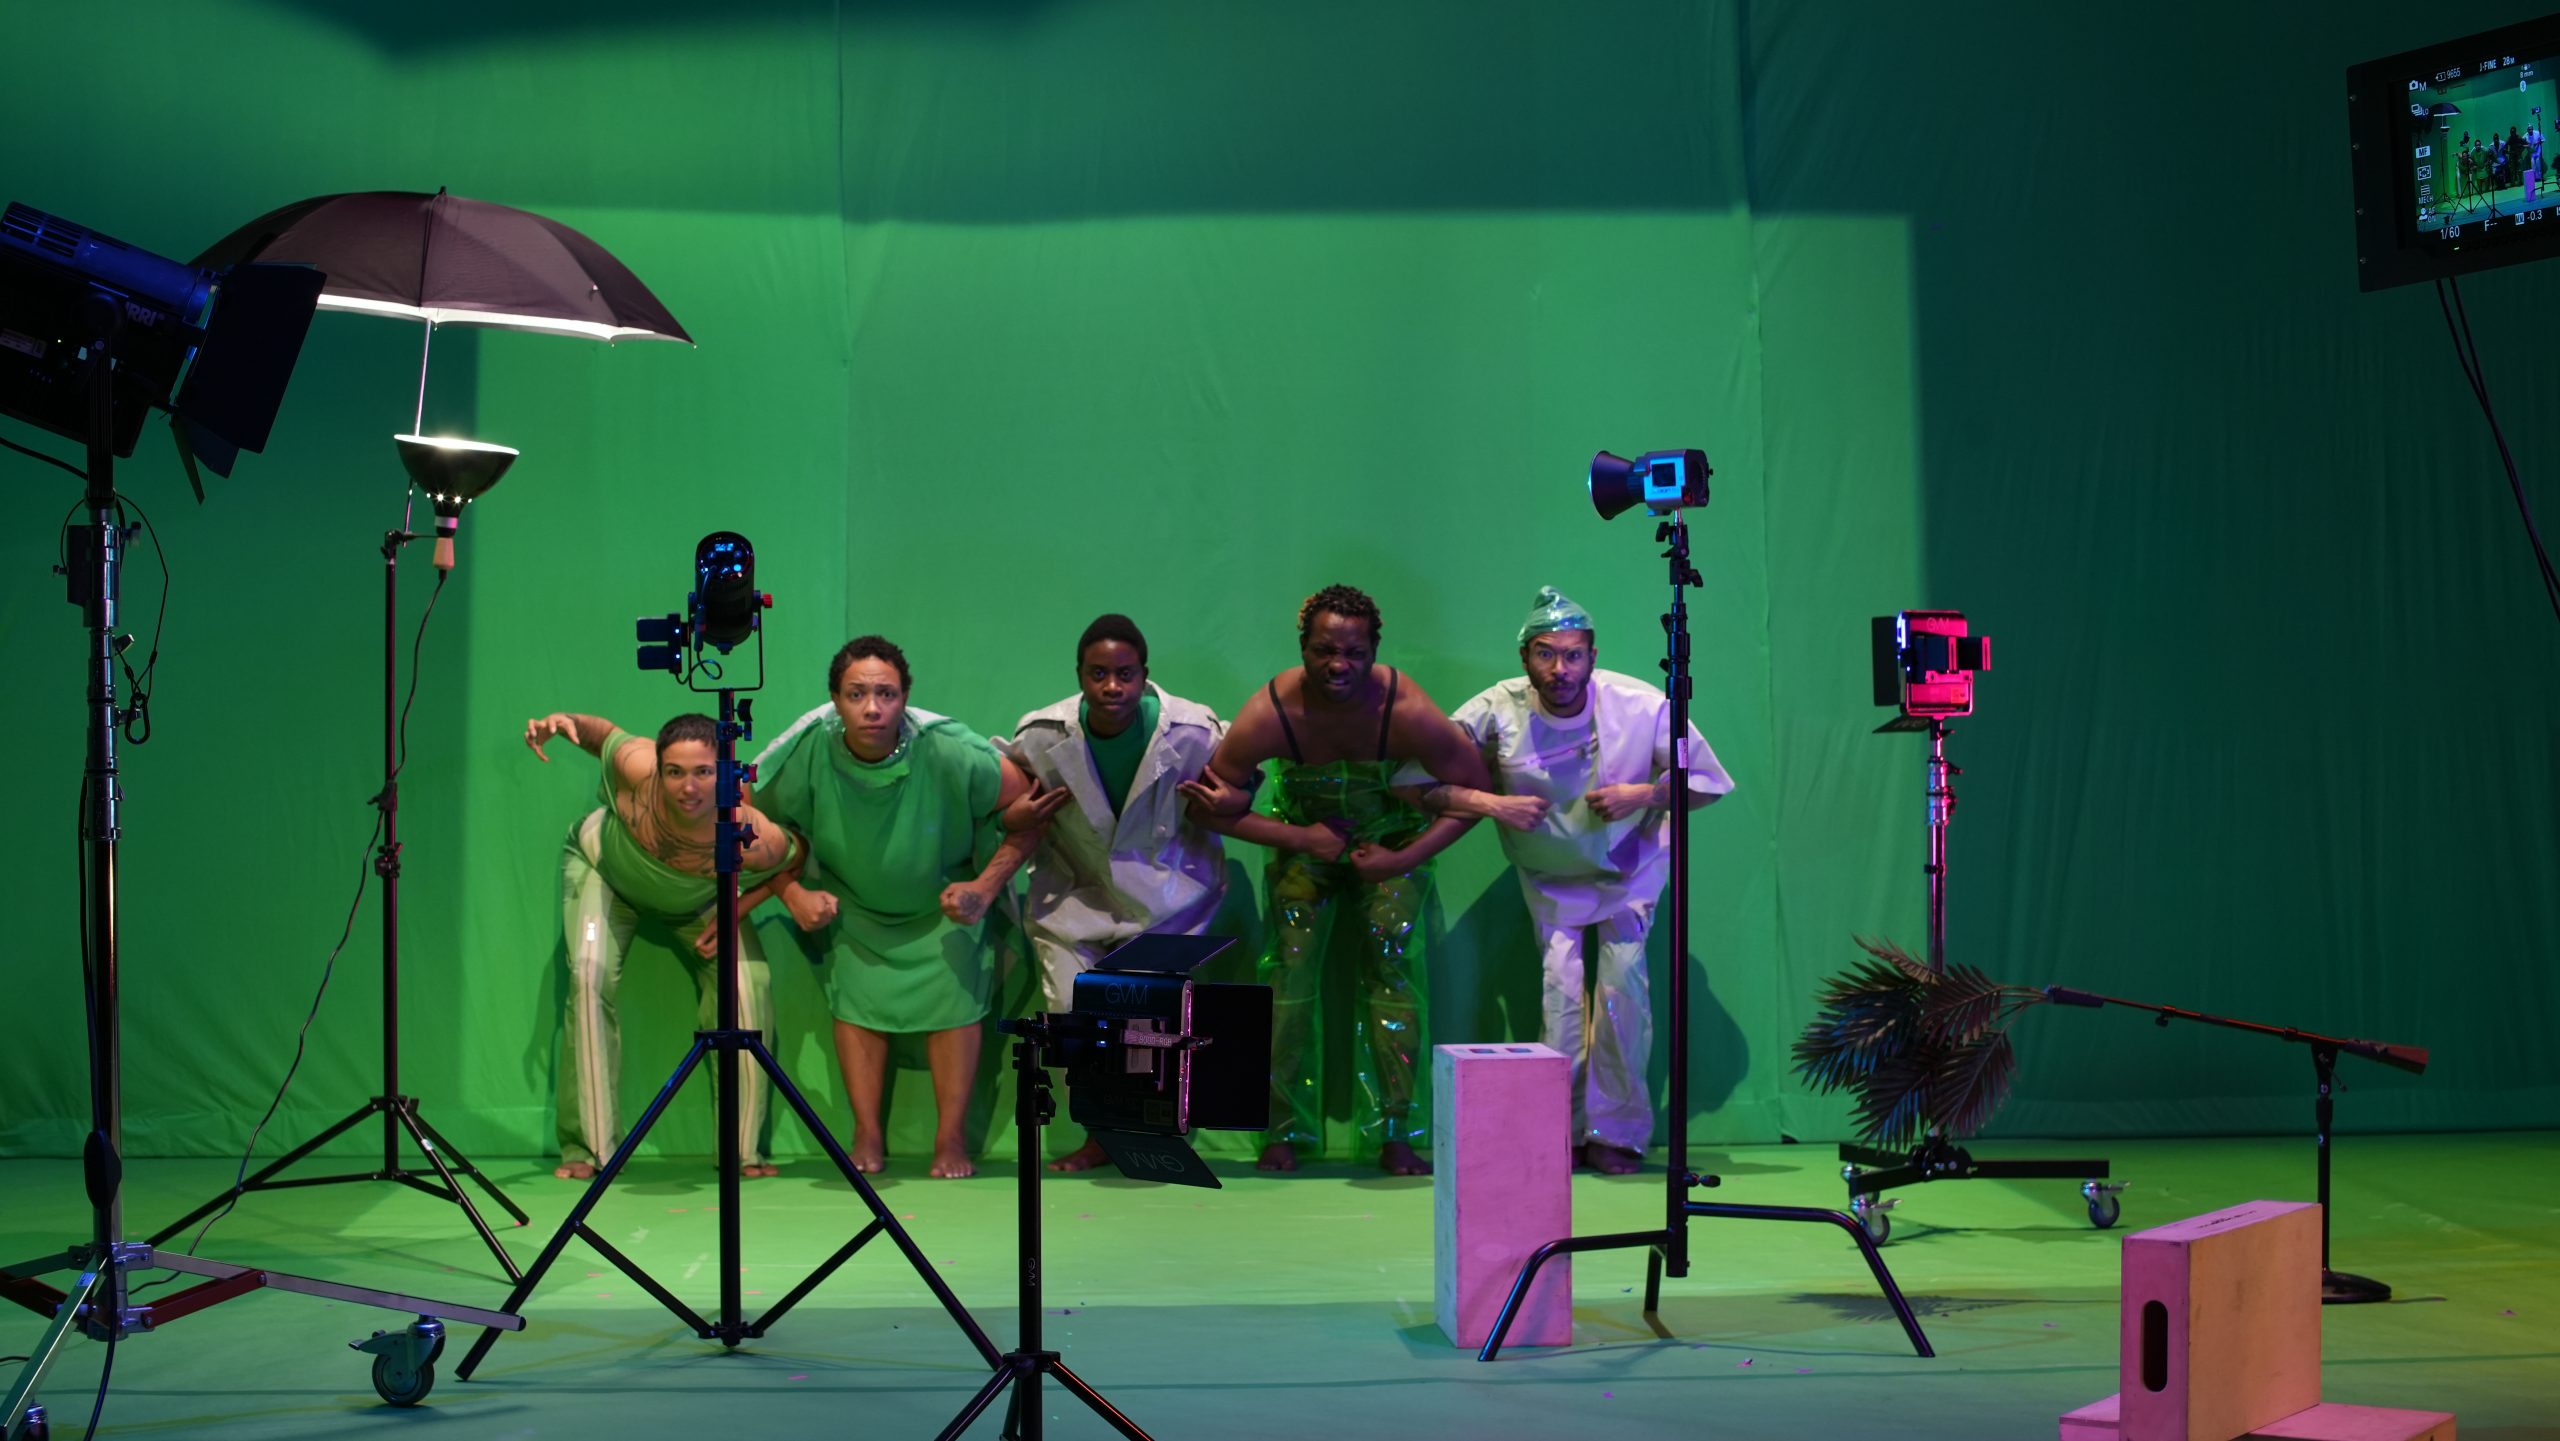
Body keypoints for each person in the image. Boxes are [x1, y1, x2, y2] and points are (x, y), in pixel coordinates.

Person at [1180, 584, 1508, 1176]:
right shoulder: (1272, 711)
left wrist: (1402, 860)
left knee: (1393, 973)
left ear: (1375, 649)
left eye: (1355, 653)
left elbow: (1474, 798)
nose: (1339, 665)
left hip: (1391, 841)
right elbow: (1211, 808)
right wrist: (1300, 840)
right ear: (1302, 647)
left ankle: (1397, 1131)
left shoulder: (1405, 710)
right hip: (1304, 842)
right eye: (1325, 650)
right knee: (1289, 973)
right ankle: (1281, 1128)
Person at [1408, 586, 1734, 1174]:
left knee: (1622, 993)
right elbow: (1412, 782)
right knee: (1559, 992)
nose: (1560, 669)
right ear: (1524, 658)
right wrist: (1489, 802)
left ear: (1592, 655)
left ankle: (1616, 1134)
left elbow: (1706, 784)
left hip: (1628, 870)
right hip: (1550, 873)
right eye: (1545, 654)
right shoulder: (1495, 708)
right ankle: (1557, 1132)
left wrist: (1646, 792)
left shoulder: (1638, 703)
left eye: (1573, 655)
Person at [752, 635, 1046, 1178]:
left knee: (956, 1000)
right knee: (857, 1002)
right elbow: (746, 822)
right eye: (856, 694)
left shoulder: (950, 746)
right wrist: (791, 893)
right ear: (835, 700)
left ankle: (950, 1137)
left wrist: (983, 887)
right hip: (855, 908)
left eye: (885, 694)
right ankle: (866, 1132)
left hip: (944, 906)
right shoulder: (808, 745)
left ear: (905, 696)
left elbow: (1030, 810)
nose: (871, 708)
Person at [523, 710, 803, 1181]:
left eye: (702, 772)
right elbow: (603, 734)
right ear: (658, 767)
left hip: (697, 901)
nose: (687, 787)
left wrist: (739, 907)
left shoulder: (749, 832)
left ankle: (742, 1152)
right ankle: (589, 1151)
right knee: (588, 973)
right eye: (674, 772)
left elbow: (797, 856)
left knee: (748, 986)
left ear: (726, 773)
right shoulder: (635, 767)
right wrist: (562, 722)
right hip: (606, 872)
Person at [998, 614, 1228, 1172]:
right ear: (1079, 674)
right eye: (1097, 674)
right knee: (1072, 1016)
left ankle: (1155, 1134)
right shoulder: (1041, 735)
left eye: (1124, 674)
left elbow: (1239, 784)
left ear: (1144, 675)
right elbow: (1006, 797)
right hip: (1073, 896)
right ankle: (1101, 1135)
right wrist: (1013, 813)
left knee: (1152, 1030)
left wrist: (1231, 803)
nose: (1111, 687)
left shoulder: (1194, 730)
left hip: (1169, 899)